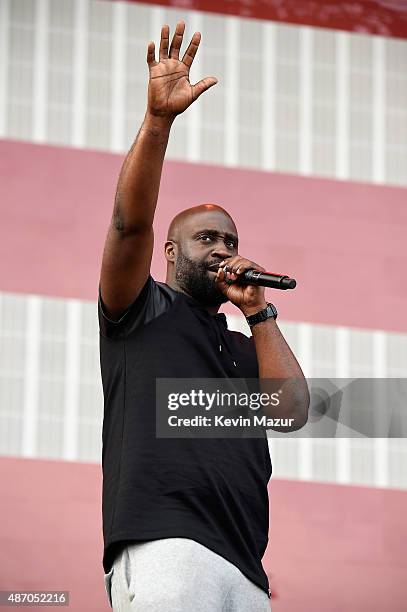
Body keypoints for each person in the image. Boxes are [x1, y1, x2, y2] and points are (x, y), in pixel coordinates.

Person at [98, 20, 309, 611]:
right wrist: (159, 123)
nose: (223, 249)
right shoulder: (140, 313)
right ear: (170, 252)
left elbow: (290, 412)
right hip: (166, 544)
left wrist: (260, 314)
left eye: (231, 239)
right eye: (207, 239)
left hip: (245, 566)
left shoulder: (245, 347)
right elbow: (127, 224)